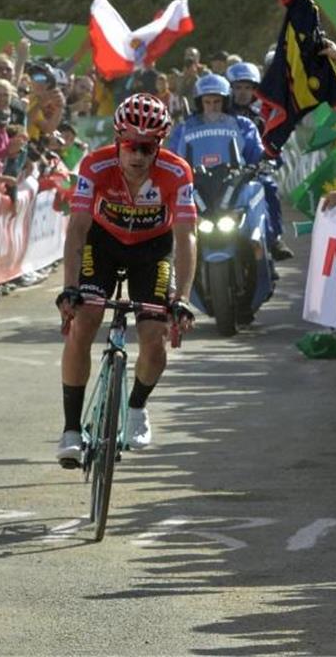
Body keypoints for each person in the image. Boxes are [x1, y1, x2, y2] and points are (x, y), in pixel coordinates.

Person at [55, 93, 197, 462]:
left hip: (152, 250)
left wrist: (182, 296)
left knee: (153, 337)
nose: (138, 156)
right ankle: (71, 429)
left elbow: (186, 236)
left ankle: (136, 407)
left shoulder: (177, 171)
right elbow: (78, 229)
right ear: (118, 140)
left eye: (147, 148)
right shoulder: (95, 165)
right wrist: (69, 287)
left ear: (159, 146)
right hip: (102, 244)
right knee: (84, 321)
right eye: (131, 146)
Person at [167, 74, 293, 260]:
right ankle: (169, 260)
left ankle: (268, 242)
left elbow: (255, 152)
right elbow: (173, 157)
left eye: (217, 102)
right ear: (199, 103)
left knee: (262, 186)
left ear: (226, 102)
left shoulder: (243, 125)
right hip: (197, 184)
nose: (212, 107)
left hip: (234, 181)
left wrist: (263, 161)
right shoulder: (184, 128)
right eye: (207, 102)